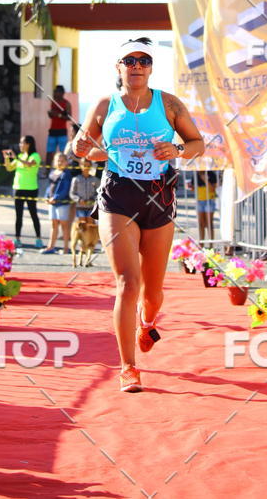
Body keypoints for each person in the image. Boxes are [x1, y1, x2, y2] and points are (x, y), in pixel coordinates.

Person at [73, 36, 204, 393]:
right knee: (127, 284)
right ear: (118, 67)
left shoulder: (169, 103)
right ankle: (128, 367)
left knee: (153, 293)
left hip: (159, 197)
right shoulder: (105, 105)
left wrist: (176, 148)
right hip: (117, 195)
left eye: (143, 61)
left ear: (151, 68)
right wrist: (80, 146)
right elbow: (84, 147)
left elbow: (198, 144)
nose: (136, 66)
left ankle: (147, 323)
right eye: (129, 61)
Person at [3, 135, 43, 250]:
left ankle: (38, 239)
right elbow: (9, 168)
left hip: (31, 189)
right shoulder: (20, 156)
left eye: (22, 143)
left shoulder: (35, 156)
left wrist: (16, 158)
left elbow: (29, 164)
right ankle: (17, 239)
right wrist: (7, 158)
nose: (20, 145)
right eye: (20, 143)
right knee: (18, 215)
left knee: (33, 214)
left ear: (28, 144)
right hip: (18, 189)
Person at [40, 152, 73, 254]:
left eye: (62, 161)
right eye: (58, 161)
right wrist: (46, 197)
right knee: (53, 224)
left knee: (64, 225)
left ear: (66, 162)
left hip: (62, 203)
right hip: (52, 203)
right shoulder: (52, 173)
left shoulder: (66, 174)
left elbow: (65, 189)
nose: (59, 163)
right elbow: (49, 187)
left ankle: (66, 248)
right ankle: (50, 246)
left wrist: (56, 198)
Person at [46, 85, 72, 167]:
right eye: (54, 91)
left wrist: (58, 115)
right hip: (52, 131)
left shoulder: (66, 104)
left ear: (62, 93)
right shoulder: (53, 102)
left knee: (63, 152)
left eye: (56, 91)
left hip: (62, 131)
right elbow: (52, 116)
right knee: (49, 152)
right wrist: (50, 114)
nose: (54, 93)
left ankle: (64, 170)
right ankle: (47, 170)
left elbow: (69, 117)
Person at [195, 171, 217, 243]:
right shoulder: (195, 174)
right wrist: (190, 187)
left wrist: (205, 180)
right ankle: (201, 244)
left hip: (209, 200)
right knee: (201, 224)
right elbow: (193, 188)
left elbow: (213, 189)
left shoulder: (211, 174)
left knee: (209, 223)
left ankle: (211, 244)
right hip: (199, 201)